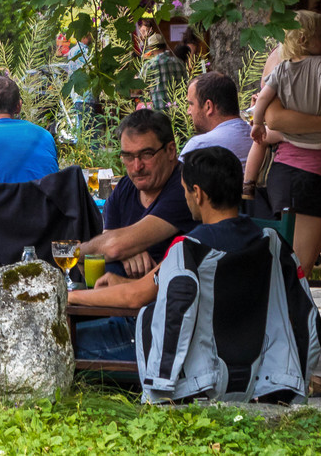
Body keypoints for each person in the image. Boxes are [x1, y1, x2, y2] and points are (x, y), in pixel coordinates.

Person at [68, 147, 281, 362]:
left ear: (197, 193)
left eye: (184, 190)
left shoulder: (191, 247)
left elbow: (135, 297)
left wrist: (71, 296)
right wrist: (123, 282)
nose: (185, 197)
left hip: (179, 350)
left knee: (66, 340)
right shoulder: (265, 238)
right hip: (245, 350)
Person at [244, 10, 321, 290]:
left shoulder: (287, 68)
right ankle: (285, 322)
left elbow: (264, 107)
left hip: (319, 178)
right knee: (297, 268)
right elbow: (276, 119)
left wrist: (256, 123)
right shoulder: (308, 63)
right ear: (306, 38)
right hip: (305, 176)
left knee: (298, 268)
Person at [80, 109, 196, 283]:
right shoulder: (125, 187)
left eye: (146, 154)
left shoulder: (185, 187)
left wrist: (77, 251)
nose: (137, 166)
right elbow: (107, 246)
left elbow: (112, 248)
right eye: (128, 156)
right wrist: (125, 250)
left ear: (171, 150)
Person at [179, 72, 250, 161]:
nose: (188, 111)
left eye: (191, 104)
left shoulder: (199, 146)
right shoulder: (258, 137)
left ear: (208, 106)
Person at [138, 33, 186, 112]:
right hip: (178, 110)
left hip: (158, 111)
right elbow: (186, 84)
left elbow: (140, 86)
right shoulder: (179, 62)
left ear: (151, 48)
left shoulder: (149, 65)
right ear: (165, 46)